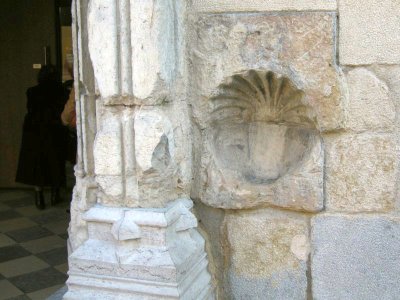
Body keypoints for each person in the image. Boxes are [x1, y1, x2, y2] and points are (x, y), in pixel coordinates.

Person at [16, 65, 68, 209]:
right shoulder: (62, 91)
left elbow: (30, 109)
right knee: (55, 161)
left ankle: (39, 197)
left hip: (34, 130)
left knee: (37, 163)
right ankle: (54, 194)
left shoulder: (32, 91)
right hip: (53, 129)